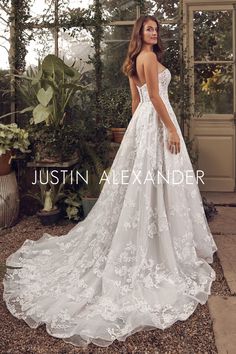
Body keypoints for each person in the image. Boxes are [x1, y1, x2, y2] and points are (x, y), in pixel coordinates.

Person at [3, 14, 217, 348]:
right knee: (156, 181)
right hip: (158, 120)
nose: (153, 32)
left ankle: (160, 234)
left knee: (151, 182)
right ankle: (160, 243)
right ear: (140, 33)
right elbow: (156, 99)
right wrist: (171, 130)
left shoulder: (134, 61)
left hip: (146, 123)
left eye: (156, 29)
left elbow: (137, 103)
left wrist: (136, 137)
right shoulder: (146, 58)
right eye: (149, 28)